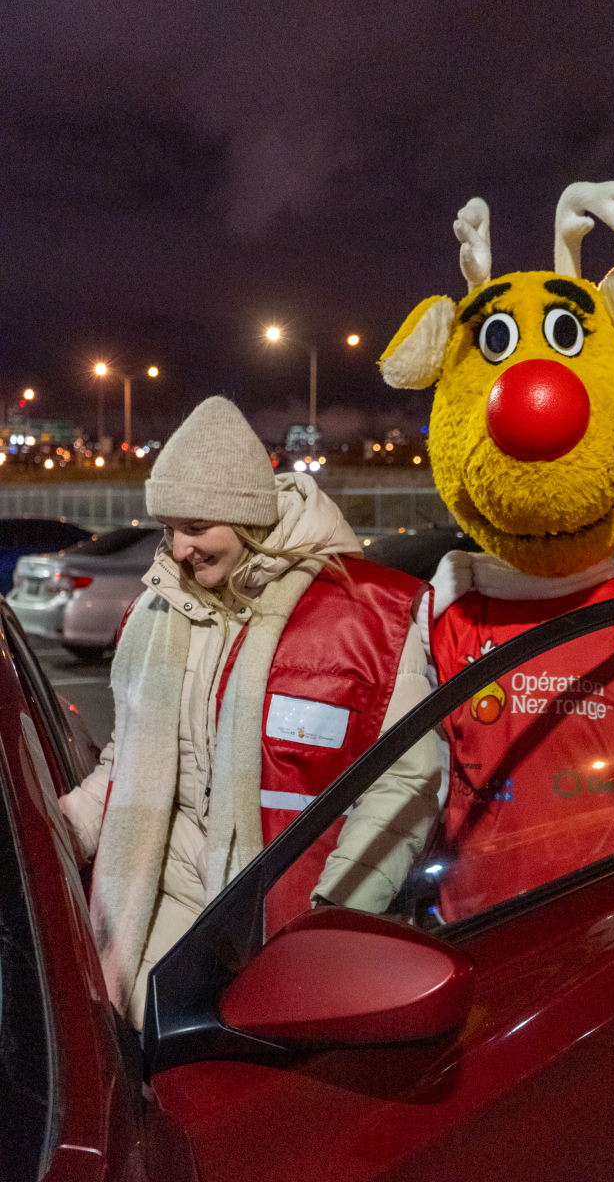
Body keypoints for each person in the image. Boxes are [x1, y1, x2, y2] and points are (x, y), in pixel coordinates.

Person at [60, 396, 440, 1029]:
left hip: (292, 925)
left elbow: (404, 782)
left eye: (198, 527)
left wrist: (332, 918)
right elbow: (127, 763)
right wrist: (57, 832)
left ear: (246, 518)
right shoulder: (153, 618)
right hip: (165, 910)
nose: (179, 549)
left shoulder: (367, 619)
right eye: (170, 529)